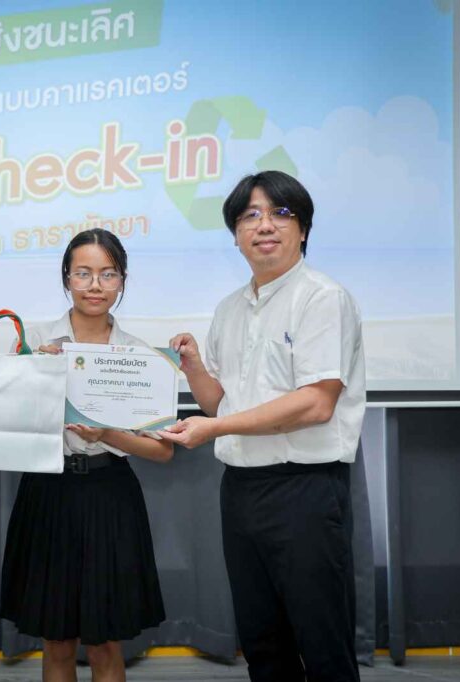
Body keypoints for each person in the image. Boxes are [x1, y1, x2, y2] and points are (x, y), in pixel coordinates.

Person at [160, 170, 365, 681]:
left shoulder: (322, 298)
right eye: (250, 216)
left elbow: (316, 404)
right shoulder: (229, 309)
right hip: (241, 491)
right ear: (235, 234)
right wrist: (194, 368)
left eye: (280, 213)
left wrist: (215, 429)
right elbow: (219, 405)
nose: (264, 225)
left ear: (303, 229)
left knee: (323, 643)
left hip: (305, 491)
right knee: (262, 643)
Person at [0, 228, 172, 682]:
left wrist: (109, 433)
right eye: (83, 273)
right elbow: (4, 426)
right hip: (47, 494)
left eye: (108, 274)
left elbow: (162, 451)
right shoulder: (33, 342)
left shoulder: (138, 356)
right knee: (55, 640)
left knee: (105, 642)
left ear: (122, 281)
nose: (95, 285)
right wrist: (34, 376)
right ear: (66, 278)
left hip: (109, 495)